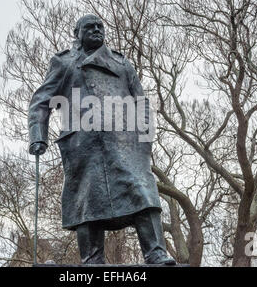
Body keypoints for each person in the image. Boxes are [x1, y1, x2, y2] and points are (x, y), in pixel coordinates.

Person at [28, 14, 176, 265]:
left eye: (100, 27)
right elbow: (41, 102)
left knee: (143, 190)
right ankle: (92, 259)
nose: (97, 30)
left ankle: (156, 254)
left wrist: (144, 140)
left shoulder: (121, 63)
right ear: (78, 33)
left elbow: (141, 103)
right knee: (87, 201)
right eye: (90, 27)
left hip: (125, 143)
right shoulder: (64, 64)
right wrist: (37, 135)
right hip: (83, 146)